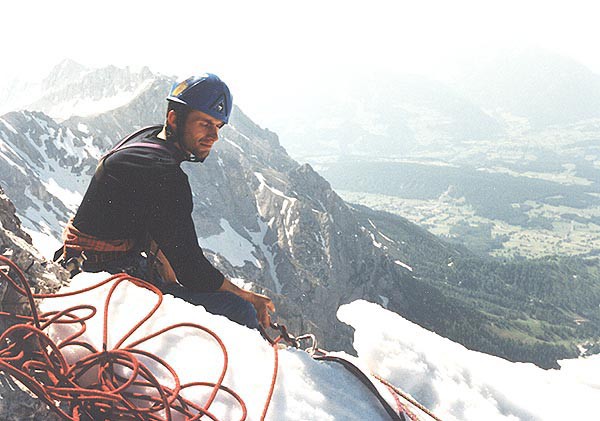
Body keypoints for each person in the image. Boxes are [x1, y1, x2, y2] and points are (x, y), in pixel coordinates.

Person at [57, 73, 274, 330]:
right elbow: (193, 271)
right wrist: (249, 298)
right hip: (103, 277)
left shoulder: (145, 139)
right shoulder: (163, 174)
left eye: (218, 126)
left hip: (84, 260)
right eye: (205, 123)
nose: (213, 136)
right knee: (239, 310)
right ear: (174, 118)